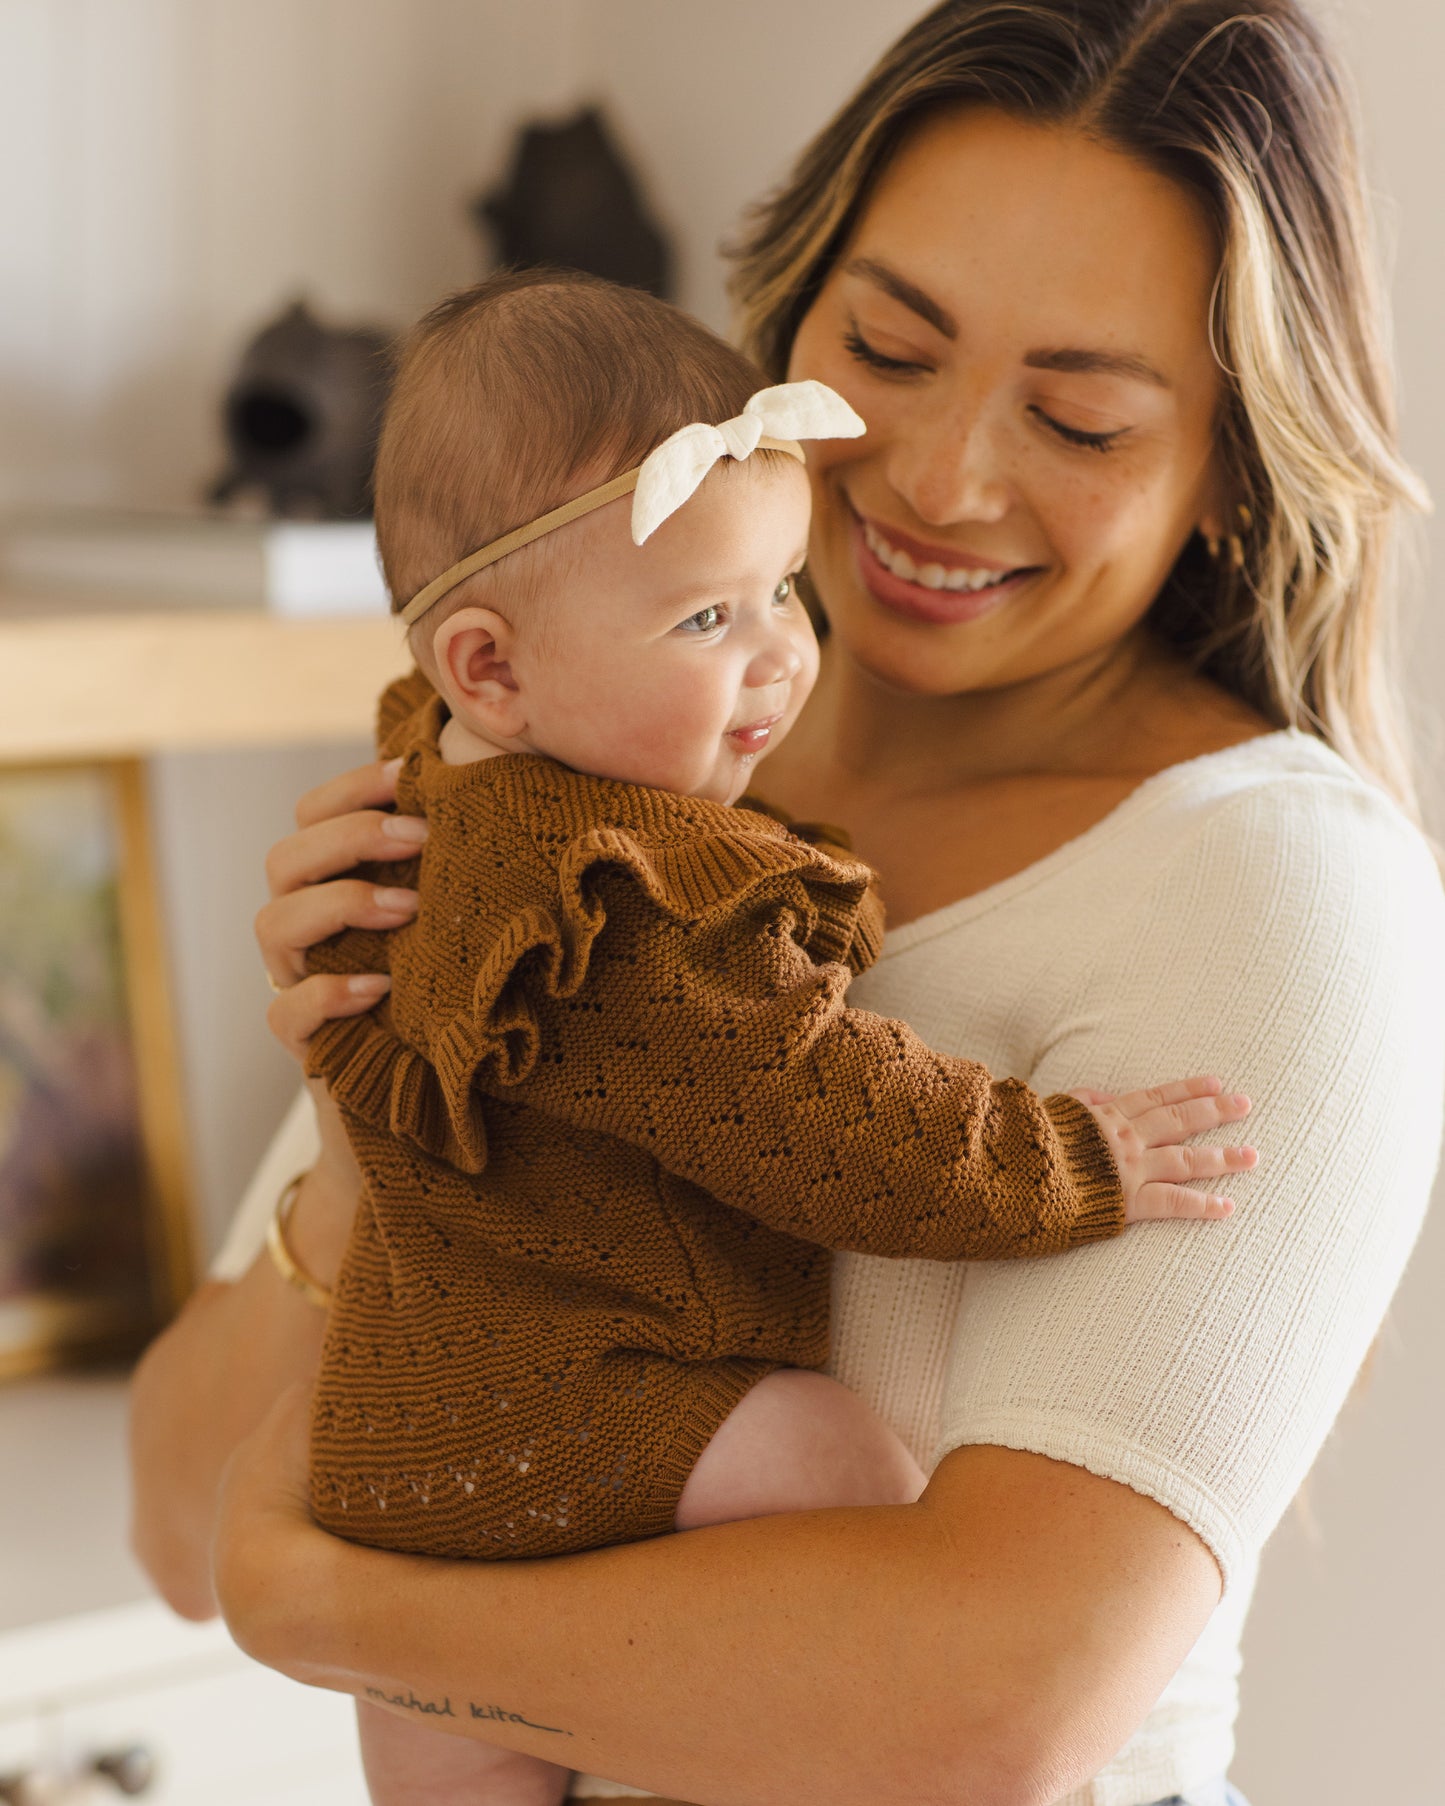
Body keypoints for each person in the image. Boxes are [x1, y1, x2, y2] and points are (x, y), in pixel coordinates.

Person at [129, 3, 1445, 1803]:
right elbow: (172, 1521)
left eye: (1073, 417)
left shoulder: (1267, 880)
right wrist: (389, 1096)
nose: (934, 478)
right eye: (886, 351)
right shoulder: (595, 787)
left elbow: (987, 1705)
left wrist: (323, 1600)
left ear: (1229, 464)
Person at [302, 269, 1247, 1806]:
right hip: (569, 1410)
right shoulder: (628, 909)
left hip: (389, 1456)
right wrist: (1072, 1156)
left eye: (778, 592)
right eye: (703, 616)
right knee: (836, 1461)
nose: (780, 655)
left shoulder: (431, 787)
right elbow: (825, 1118)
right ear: (489, 664)